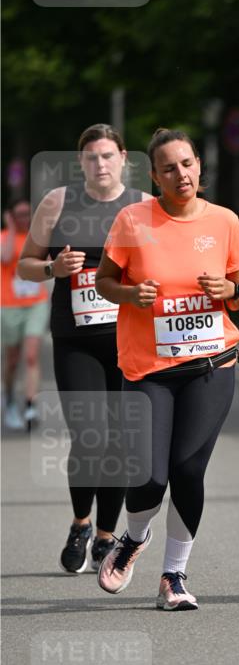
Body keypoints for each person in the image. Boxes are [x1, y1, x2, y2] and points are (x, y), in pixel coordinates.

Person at [95, 128, 239, 611]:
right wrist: (129, 293)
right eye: (169, 168)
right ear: (155, 176)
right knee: (148, 476)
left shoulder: (225, 221)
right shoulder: (132, 219)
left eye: (187, 164)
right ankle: (134, 537)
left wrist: (229, 293)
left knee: (187, 468)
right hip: (148, 369)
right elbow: (104, 282)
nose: (180, 174)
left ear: (199, 166)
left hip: (211, 362)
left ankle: (174, 576)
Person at [18, 124, 149, 573]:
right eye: (92, 157)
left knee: (119, 443)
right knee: (89, 437)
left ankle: (107, 536)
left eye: (108, 155)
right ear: (81, 162)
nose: (100, 164)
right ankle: (81, 523)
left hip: (128, 339)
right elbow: (25, 265)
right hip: (75, 338)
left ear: (123, 157)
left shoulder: (142, 208)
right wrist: (53, 266)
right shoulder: (58, 202)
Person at [1, 199, 49, 430]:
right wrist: (9, 228)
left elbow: (49, 264)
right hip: (9, 305)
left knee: (31, 355)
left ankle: (30, 405)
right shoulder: (4, 236)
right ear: (12, 216)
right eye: (18, 215)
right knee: (12, 360)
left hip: (35, 304)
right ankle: (9, 398)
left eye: (27, 214)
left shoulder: (37, 238)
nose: (24, 218)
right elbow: (5, 257)